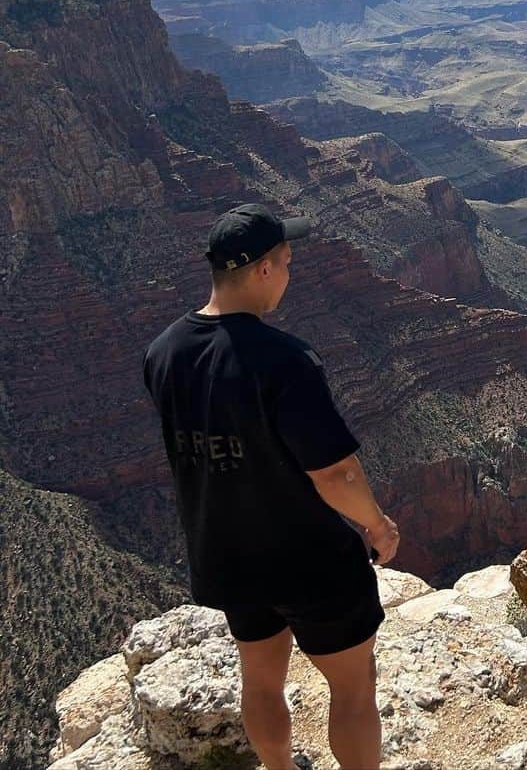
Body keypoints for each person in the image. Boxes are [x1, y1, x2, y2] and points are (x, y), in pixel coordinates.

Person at [142, 202, 399, 770]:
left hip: (229, 555)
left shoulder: (162, 352)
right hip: (309, 557)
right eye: (286, 261)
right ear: (262, 270)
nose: (290, 272)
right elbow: (334, 473)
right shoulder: (285, 361)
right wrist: (376, 525)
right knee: (353, 688)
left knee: (260, 679)